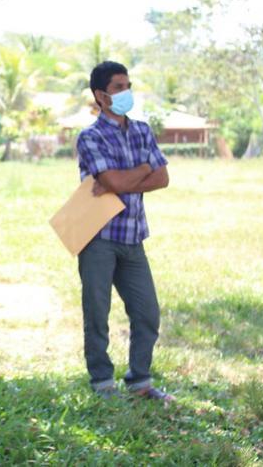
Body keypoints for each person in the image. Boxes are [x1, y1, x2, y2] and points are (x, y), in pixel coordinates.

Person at [75, 61, 172, 401]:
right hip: (98, 238)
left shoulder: (142, 130)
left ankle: (139, 381)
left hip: (133, 237)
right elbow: (113, 181)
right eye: (118, 87)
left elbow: (162, 178)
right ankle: (102, 382)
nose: (126, 92)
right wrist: (143, 169)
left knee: (147, 313)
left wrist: (126, 178)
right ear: (101, 96)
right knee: (97, 314)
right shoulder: (90, 137)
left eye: (128, 85)